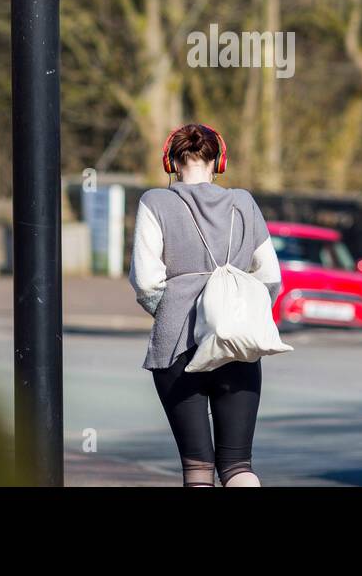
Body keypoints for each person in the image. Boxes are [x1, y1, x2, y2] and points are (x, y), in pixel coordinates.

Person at [129, 123, 282, 487]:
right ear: (219, 161)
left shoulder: (155, 202)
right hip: (237, 343)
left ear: (171, 162)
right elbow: (271, 276)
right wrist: (240, 313)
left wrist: (174, 313)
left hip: (179, 348)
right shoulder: (244, 202)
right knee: (238, 465)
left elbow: (146, 281)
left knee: (197, 469)